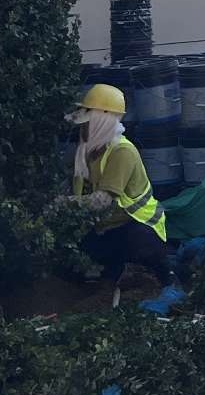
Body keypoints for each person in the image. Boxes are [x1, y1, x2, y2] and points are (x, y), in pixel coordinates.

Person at [67, 83, 170, 284]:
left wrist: (64, 204)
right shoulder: (87, 152)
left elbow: (102, 201)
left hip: (136, 227)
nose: (83, 128)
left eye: (88, 123)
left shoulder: (121, 151)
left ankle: (161, 275)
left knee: (137, 247)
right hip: (106, 228)